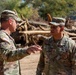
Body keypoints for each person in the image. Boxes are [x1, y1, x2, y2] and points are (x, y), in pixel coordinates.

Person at [0, 10, 42, 75]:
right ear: (10, 21)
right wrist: (26, 51)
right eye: (16, 22)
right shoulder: (2, 36)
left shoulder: (6, 36)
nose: (17, 24)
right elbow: (8, 56)